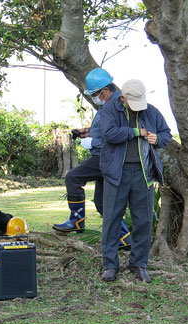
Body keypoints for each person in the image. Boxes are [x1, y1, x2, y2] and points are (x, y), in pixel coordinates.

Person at [99, 79, 171, 283]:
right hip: (117, 173)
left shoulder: (151, 111)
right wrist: (136, 132)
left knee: (144, 220)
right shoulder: (109, 110)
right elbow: (110, 134)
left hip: (143, 174)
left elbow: (166, 133)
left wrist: (158, 139)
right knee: (111, 220)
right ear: (123, 98)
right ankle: (110, 265)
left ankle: (139, 264)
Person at [53, 68, 132, 251]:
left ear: (104, 90)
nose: (95, 97)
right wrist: (86, 132)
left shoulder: (117, 106)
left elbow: (117, 135)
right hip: (106, 157)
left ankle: (76, 220)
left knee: (73, 177)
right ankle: (124, 239)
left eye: (95, 94)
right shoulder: (109, 104)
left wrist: (93, 142)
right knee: (103, 203)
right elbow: (105, 129)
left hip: (106, 156)